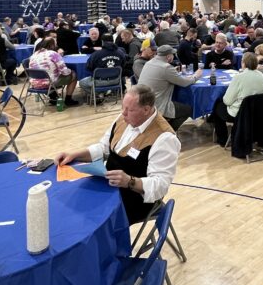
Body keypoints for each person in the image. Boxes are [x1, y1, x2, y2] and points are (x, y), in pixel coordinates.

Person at [55, 85, 180, 224]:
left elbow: (160, 186)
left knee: (86, 219)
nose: (123, 113)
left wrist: (130, 181)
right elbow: (104, 147)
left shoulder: (164, 138)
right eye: (123, 107)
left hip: (133, 198)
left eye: (130, 110)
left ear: (146, 110)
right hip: (108, 185)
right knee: (71, 200)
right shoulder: (123, 118)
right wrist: (74, 155)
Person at [138, 45, 203, 130]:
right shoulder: (166, 67)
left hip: (143, 102)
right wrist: (196, 76)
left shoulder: (149, 63)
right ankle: (168, 131)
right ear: (168, 57)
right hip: (158, 105)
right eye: (173, 55)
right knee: (188, 110)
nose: (174, 57)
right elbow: (185, 83)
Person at [210, 52, 263, 146]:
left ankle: (222, 139)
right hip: (259, 112)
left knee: (217, 105)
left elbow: (227, 101)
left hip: (241, 113)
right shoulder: (261, 75)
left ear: (243, 63)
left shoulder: (239, 77)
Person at [29, 39, 78, 106]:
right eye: (55, 44)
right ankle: (68, 100)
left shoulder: (34, 55)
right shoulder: (53, 54)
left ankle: (54, 96)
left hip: (34, 84)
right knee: (74, 74)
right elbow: (65, 72)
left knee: (51, 76)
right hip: (49, 84)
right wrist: (70, 71)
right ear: (52, 45)